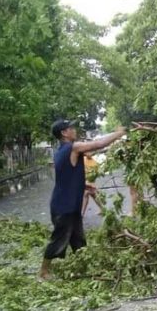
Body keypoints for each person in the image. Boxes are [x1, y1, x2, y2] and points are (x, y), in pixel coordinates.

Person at [39, 119, 128, 281]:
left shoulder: (61, 151)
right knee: (59, 239)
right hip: (63, 206)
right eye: (71, 128)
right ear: (64, 133)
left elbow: (67, 176)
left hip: (69, 204)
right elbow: (99, 143)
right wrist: (119, 134)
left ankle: (83, 269)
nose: (74, 130)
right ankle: (43, 273)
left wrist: (85, 185)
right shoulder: (73, 147)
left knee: (78, 239)